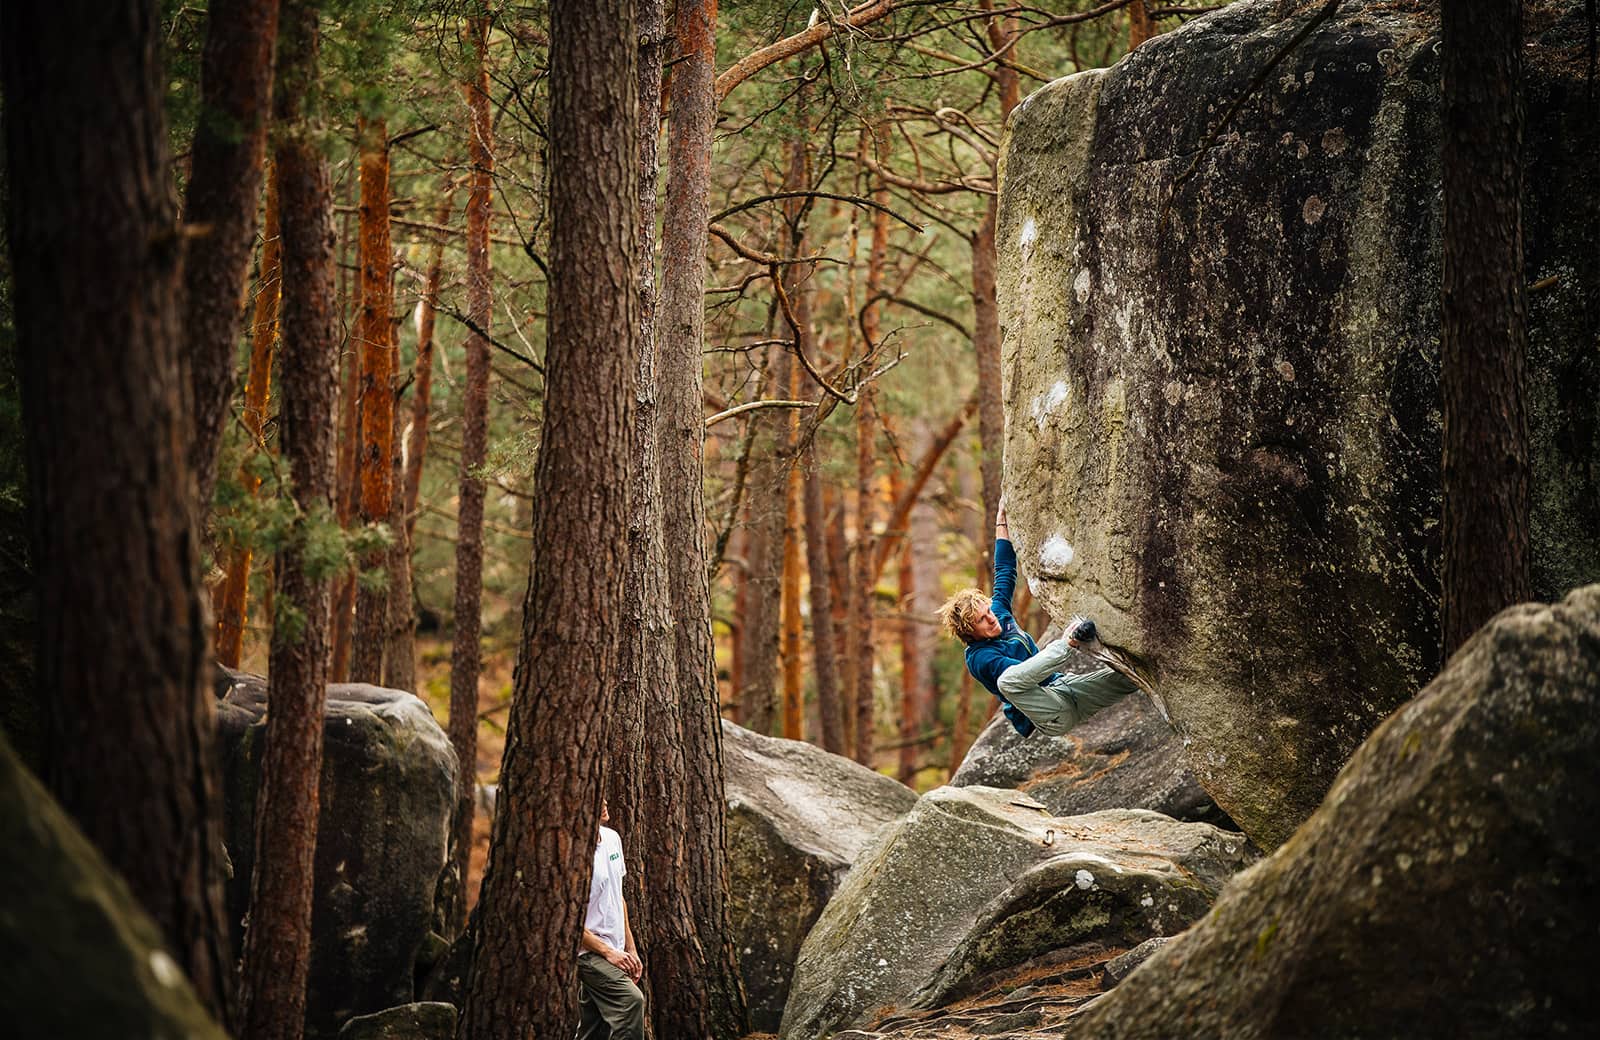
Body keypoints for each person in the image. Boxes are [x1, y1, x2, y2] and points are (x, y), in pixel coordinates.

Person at [938, 505, 1142, 738]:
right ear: (970, 633)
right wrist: (1068, 644)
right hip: (1051, 713)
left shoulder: (999, 614)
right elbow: (1023, 678)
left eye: (988, 612)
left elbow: (1004, 570)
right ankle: (1069, 642)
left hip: (1069, 690)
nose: (991, 618)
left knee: (1133, 674)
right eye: (982, 621)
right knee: (1008, 681)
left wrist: (1001, 523)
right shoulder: (979, 659)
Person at [578, 800, 644, 1040]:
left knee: (593, 1030)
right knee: (631, 1001)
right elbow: (570, 924)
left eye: (606, 796)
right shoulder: (575, 854)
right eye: (598, 797)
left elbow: (619, 897)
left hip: (615, 951)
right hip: (588, 953)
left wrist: (630, 948)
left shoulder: (612, 838)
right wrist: (608, 952)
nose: (605, 802)